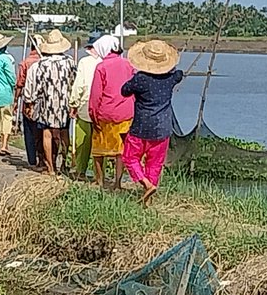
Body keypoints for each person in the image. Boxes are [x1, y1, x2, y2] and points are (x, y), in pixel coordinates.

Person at [121, 39, 184, 206]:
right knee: (155, 163)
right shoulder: (170, 79)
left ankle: (146, 184)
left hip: (141, 126)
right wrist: (172, 71)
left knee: (129, 157)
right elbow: (179, 75)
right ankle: (148, 200)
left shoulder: (140, 79)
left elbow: (124, 91)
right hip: (163, 127)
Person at [88, 36, 135, 190]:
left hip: (105, 114)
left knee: (99, 150)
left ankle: (100, 181)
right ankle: (118, 183)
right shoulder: (128, 65)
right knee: (120, 151)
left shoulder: (101, 67)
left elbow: (96, 95)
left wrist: (93, 114)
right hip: (126, 114)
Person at [26, 29, 75, 175]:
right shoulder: (70, 63)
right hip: (64, 103)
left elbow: (32, 86)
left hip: (45, 104)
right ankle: (64, 164)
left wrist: (29, 102)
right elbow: (74, 82)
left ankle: (51, 168)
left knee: (46, 134)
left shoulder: (39, 65)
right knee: (64, 132)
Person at [68, 34, 104, 179]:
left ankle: (81, 170)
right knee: (100, 144)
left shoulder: (84, 62)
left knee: (82, 142)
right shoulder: (105, 62)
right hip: (102, 107)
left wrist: (73, 104)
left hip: (85, 106)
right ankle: (99, 175)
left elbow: (79, 85)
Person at [13, 35, 44, 167]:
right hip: (43, 102)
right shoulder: (44, 61)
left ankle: (32, 159)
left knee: (29, 131)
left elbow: (20, 84)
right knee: (42, 131)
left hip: (28, 101)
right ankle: (43, 159)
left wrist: (15, 100)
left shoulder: (25, 62)